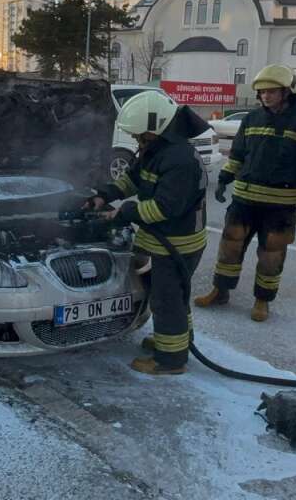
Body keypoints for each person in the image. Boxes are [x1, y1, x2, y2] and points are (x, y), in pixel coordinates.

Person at [198, 64, 296, 322]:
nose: (266, 96)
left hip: (281, 204)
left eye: (271, 91)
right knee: (230, 246)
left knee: (272, 254)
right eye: (262, 92)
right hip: (244, 199)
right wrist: (225, 177)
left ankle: (262, 300)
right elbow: (238, 154)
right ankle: (221, 290)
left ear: (285, 91)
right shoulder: (251, 119)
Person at [88, 91, 209, 375]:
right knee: (173, 298)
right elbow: (134, 178)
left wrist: (123, 213)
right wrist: (105, 194)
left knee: (166, 300)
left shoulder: (179, 159)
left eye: (140, 135)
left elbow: (163, 209)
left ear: (155, 128)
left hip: (177, 244)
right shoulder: (160, 148)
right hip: (166, 241)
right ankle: (176, 340)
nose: (136, 141)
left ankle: (170, 360)